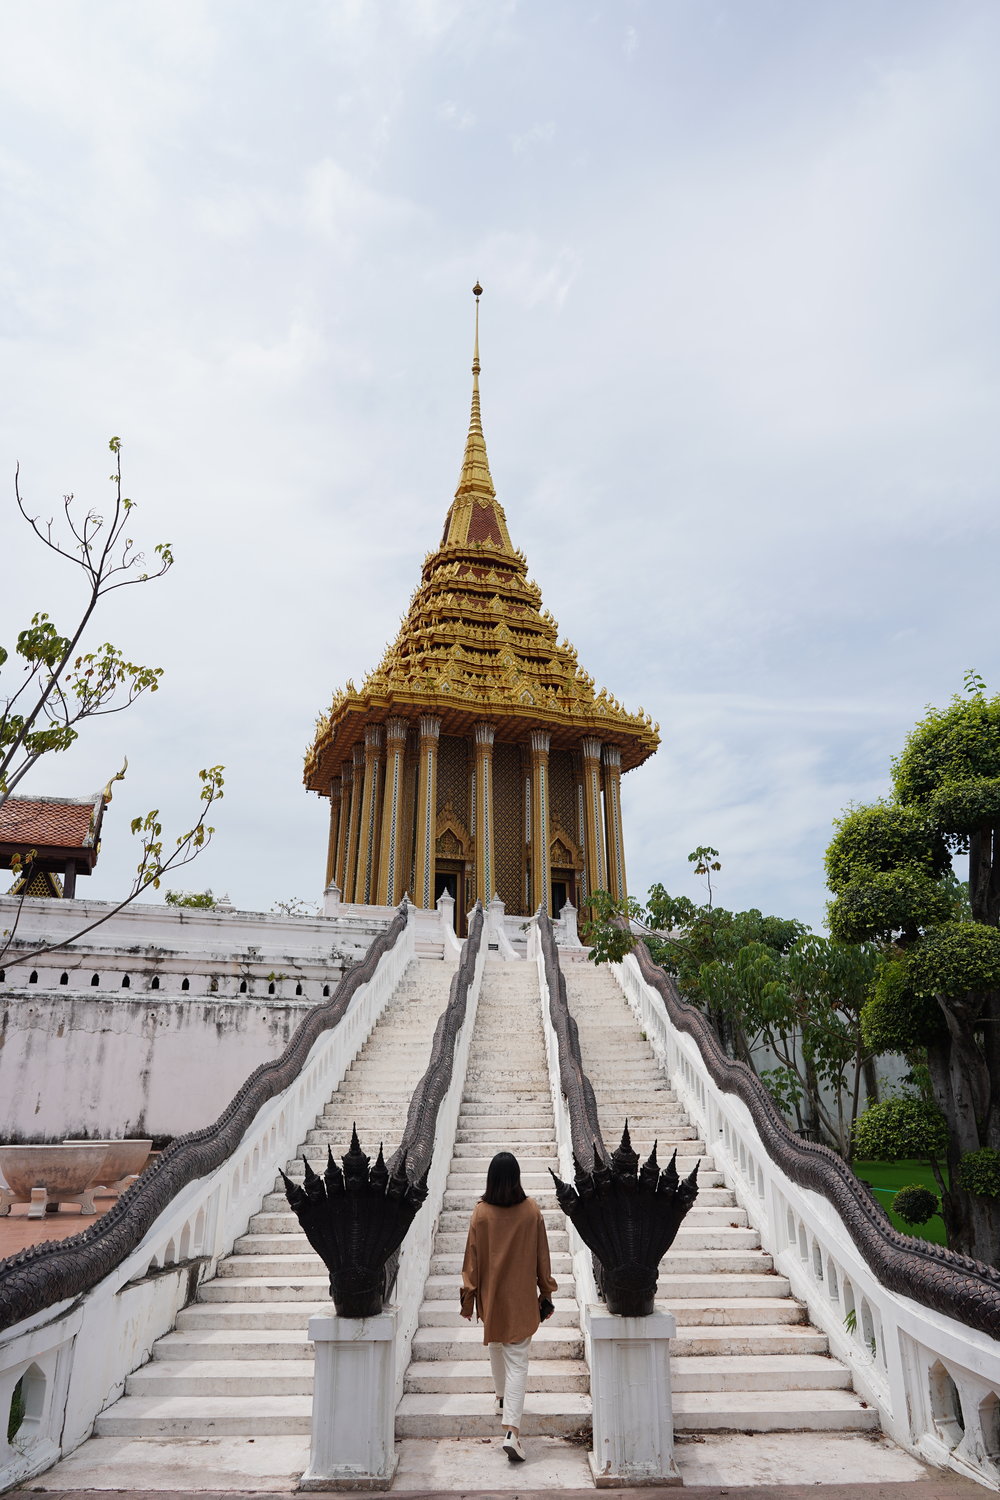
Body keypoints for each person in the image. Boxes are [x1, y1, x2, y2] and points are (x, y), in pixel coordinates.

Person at [460, 1150, 557, 1464]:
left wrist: (469, 1299)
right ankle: (512, 1431)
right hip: (521, 1300)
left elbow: (471, 1262)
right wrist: (546, 1291)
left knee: (497, 1344)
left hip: (492, 1299)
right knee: (517, 1362)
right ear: (516, 1178)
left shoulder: (481, 1213)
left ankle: (502, 1400)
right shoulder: (531, 1211)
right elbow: (543, 1257)